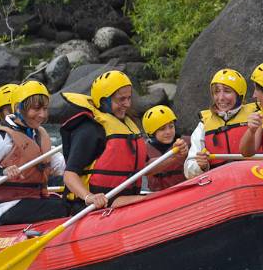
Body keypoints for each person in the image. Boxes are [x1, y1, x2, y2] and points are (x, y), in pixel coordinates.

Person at [60, 70, 187, 212]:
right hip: (94, 206)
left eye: (128, 98)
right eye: (121, 99)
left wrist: (173, 157)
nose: (127, 104)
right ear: (104, 100)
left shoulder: (127, 125)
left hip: (124, 199)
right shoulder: (90, 129)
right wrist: (89, 197)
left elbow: (144, 167)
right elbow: (69, 175)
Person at [0, 81, 69, 226]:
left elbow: (62, 165)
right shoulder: (0, 136)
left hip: (35, 200)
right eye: (36, 109)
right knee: (65, 208)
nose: (42, 115)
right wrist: (2, 172)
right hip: (8, 206)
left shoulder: (38, 134)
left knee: (72, 200)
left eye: (45, 109)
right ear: (19, 109)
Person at [184, 68, 257, 179]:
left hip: (252, 177)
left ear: (239, 94)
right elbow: (189, 171)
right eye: (216, 92)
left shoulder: (256, 115)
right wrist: (200, 165)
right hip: (221, 183)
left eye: (227, 91)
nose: (221, 98)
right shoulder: (204, 124)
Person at [142, 105, 189, 191]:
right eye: (162, 129)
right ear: (152, 133)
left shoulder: (186, 142)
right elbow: (143, 169)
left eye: (171, 126)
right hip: (159, 196)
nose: (168, 132)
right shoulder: (144, 150)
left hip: (184, 191)